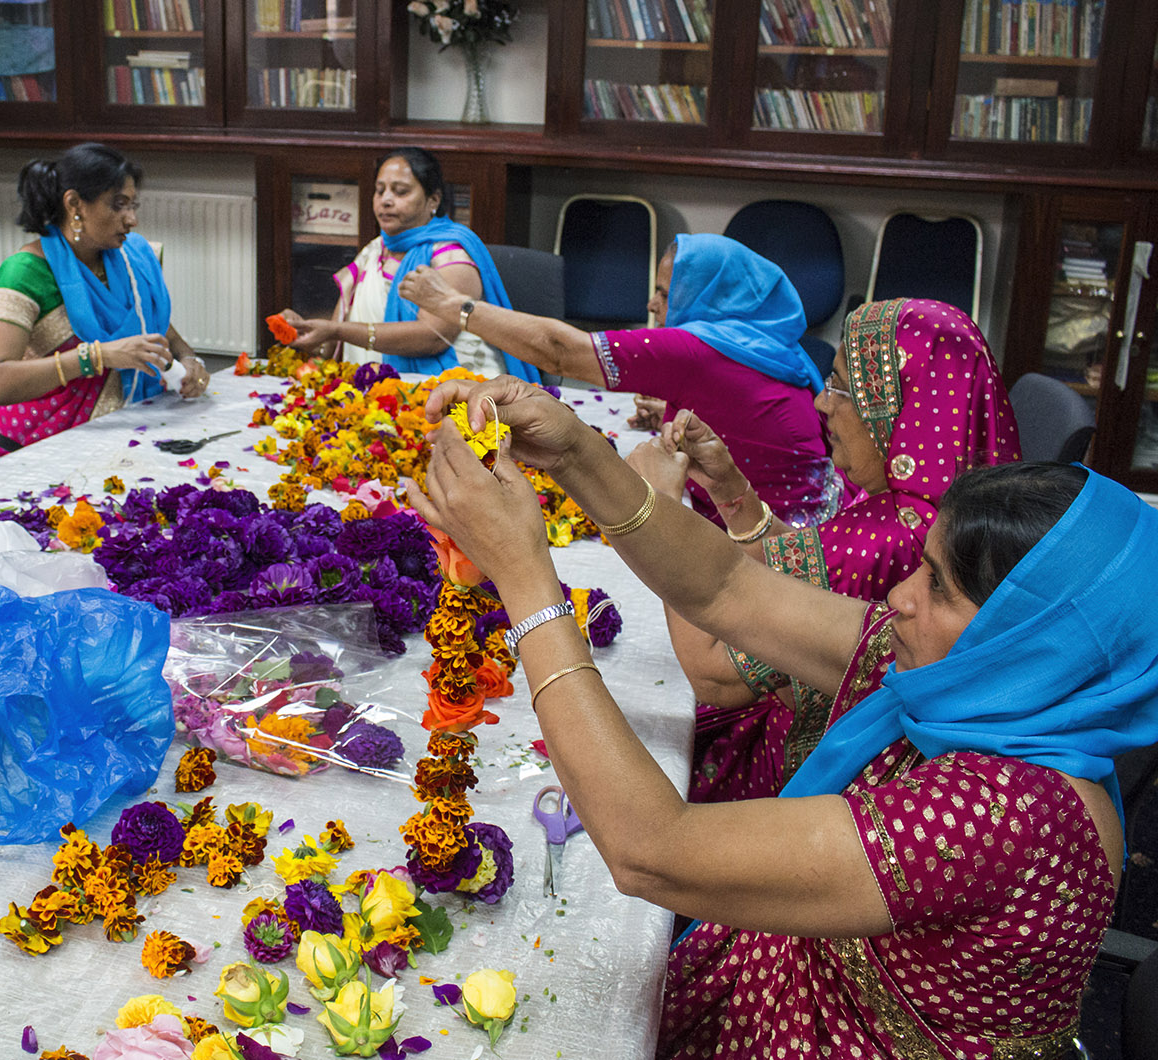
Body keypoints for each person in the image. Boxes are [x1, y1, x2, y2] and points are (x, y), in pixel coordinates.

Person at [408, 374, 1155, 1059]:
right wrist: (576, 453)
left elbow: (652, 850)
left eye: (940, 586)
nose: (899, 595)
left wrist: (526, 580)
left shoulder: (1010, 814)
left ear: (1033, 641)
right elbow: (729, 587)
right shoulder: (964, 690)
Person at [645, 298, 1022, 801]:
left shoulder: (898, 529)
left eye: (844, 387)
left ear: (896, 405)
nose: (823, 402)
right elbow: (809, 569)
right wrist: (731, 491)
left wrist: (661, 509)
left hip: (807, 779)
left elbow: (715, 671)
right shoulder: (949, 504)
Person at [399, 233, 841, 527]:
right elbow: (746, 416)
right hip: (802, 515)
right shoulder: (760, 339)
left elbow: (560, 350)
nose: (651, 304)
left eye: (666, 294)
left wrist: (453, 303)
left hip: (780, 545)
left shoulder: (702, 347)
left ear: (709, 297)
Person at [0, 143, 210, 450]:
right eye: (118, 205)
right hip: (48, 441)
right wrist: (97, 357)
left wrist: (189, 360)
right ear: (74, 203)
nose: (131, 220)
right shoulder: (26, 273)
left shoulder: (130, 259)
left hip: (129, 426)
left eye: (133, 206)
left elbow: (160, 334)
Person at [277, 147, 541, 382]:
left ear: (433, 201)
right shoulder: (374, 250)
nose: (386, 200)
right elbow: (333, 345)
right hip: (370, 398)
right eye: (379, 191)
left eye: (400, 191)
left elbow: (433, 337)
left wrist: (336, 330)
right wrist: (304, 331)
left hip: (455, 395)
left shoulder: (450, 256)